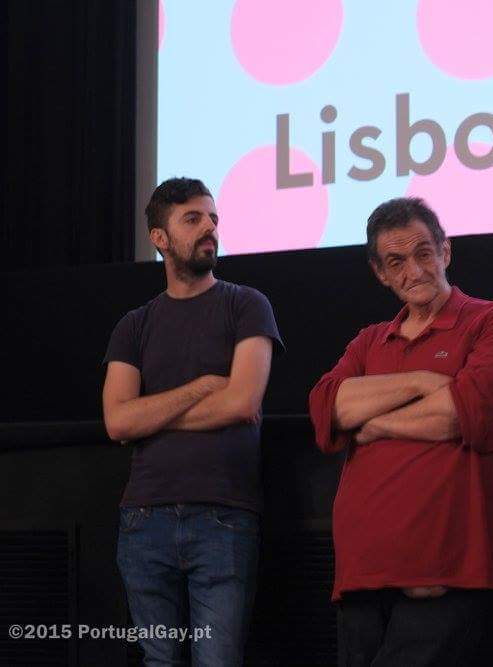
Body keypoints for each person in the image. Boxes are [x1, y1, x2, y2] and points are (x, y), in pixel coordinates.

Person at [308, 197, 493, 666]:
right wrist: (419, 383)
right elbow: (327, 406)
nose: (414, 271)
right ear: (381, 273)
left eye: (423, 253)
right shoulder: (369, 341)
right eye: (396, 262)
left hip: (445, 568)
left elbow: (468, 413)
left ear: (445, 251)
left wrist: (374, 422)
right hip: (363, 571)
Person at [102, 177, 283, 665]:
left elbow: (241, 402)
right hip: (143, 518)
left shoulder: (247, 304)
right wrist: (202, 387)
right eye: (193, 219)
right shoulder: (134, 325)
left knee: (217, 660)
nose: (210, 228)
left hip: (223, 516)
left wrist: (150, 415)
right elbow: (117, 422)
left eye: (213, 218)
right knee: (158, 661)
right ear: (159, 238)